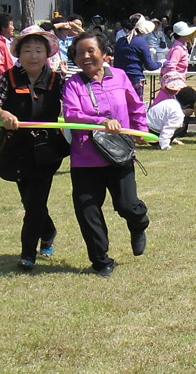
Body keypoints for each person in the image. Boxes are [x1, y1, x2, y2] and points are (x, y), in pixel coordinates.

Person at [61, 32, 150, 277]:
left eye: (91, 50)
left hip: (119, 154)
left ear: (104, 53)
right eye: (80, 52)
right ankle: (101, 261)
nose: (86, 56)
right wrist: (102, 121)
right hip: (85, 158)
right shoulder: (73, 84)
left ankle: (139, 224)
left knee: (127, 205)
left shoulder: (120, 77)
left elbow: (136, 106)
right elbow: (71, 114)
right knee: (87, 210)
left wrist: (141, 130)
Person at [0, 25, 69, 272]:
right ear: (19, 54)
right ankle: (48, 230)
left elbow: (76, 106)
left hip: (46, 150)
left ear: (47, 54)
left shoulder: (58, 79)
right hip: (17, 149)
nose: (33, 56)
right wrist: (3, 114)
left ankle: (27, 254)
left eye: (38, 51)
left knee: (35, 202)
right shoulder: (9, 77)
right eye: (27, 50)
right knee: (30, 200)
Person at [114, 14, 162, 101]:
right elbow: (150, 66)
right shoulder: (141, 43)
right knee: (136, 108)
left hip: (120, 80)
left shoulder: (119, 42)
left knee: (122, 107)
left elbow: (116, 64)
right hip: (135, 79)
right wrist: (160, 63)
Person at [146, 81, 196, 150]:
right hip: (152, 134)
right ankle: (163, 143)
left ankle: (169, 140)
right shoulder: (178, 113)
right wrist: (165, 146)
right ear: (188, 105)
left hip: (145, 127)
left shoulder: (170, 101)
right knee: (180, 125)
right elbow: (168, 129)